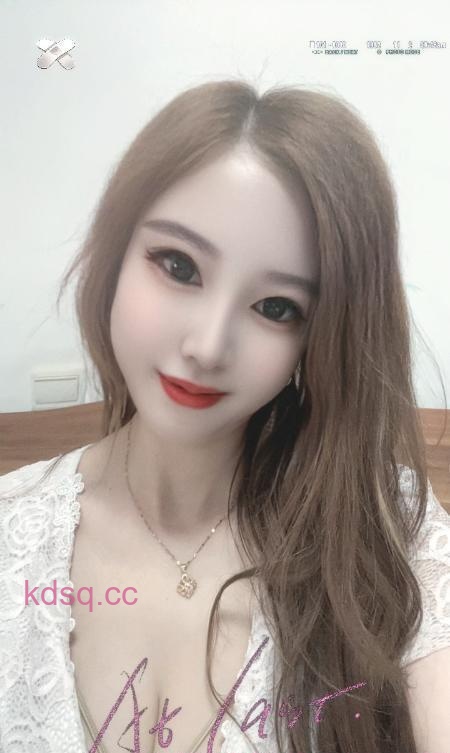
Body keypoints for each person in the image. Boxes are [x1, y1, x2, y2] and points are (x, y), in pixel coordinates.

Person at [0, 78, 449, 753]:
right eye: (178, 266)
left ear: (317, 338)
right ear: (114, 255)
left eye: (276, 307)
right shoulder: (11, 534)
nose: (208, 347)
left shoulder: (385, 525)